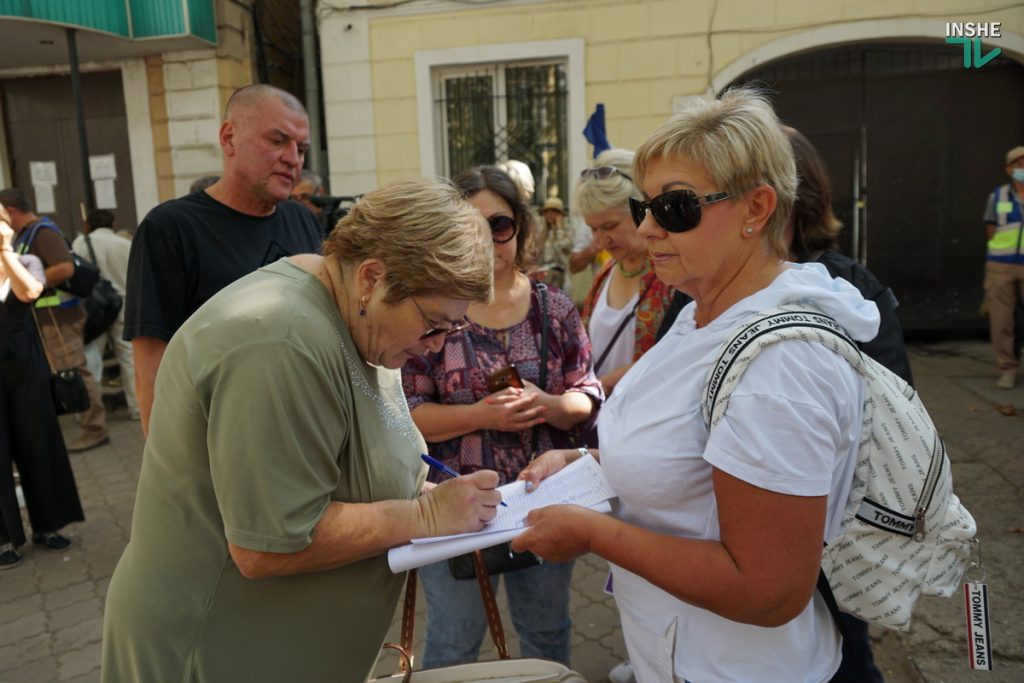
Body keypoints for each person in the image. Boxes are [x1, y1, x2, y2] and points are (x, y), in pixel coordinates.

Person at [513, 88, 880, 683]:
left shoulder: (779, 367)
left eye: (676, 208)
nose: (650, 228)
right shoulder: (701, 308)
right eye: (644, 207)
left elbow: (767, 590)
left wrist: (592, 532)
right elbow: (697, 461)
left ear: (756, 209)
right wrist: (587, 460)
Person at [101, 178, 501, 682]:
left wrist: (433, 495)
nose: (438, 346)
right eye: (434, 324)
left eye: (454, 329)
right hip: (215, 650)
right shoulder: (282, 341)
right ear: (373, 278)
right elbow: (270, 543)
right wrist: (425, 515)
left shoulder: (357, 318)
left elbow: (348, 468)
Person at [402, 165, 603, 668]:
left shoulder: (552, 307)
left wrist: (552, 406)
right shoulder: (431, 308)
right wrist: (478, 416)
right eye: (472, 226)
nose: (489, 239)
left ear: (520, 227)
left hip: (544, 501)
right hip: (453, 507)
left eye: (500, 224)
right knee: (454, 641)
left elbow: (588, 395)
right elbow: (405, 418)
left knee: (545, 629)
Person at [124, 84, 324, 435]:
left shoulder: (302, 220)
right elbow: (152, 358)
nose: (293, 158)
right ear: (229, 138)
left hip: (303, 434)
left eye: (302, 148)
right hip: (218, 443)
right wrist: (166, 468)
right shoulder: (170, 228)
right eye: (278, 141)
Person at [785, 124, 904, 683]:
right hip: (726, 522)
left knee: (846, 655)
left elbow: (896, 410)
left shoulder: (850, 287)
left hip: (833, 529)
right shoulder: (700, 293)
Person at [1, 206, 84, 568]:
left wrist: (5, 253)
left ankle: (48, 525)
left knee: (39, 441)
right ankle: (5, 538)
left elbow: (31, 291)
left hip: (24, 367)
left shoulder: (26, 261)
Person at [0, 187, 109, 452]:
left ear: (10, 211)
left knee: (74, 371)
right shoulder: (27, 233)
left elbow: (65, 268)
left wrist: (29, 281)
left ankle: (95, 428)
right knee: (65, 371)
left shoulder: (43, 232)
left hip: (61, 317)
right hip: (46, 318)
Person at [575, 149, 675, 396]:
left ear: (641, 210)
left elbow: (680, 354)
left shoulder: (674, 272)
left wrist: (607, 384)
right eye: (593, 229)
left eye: (610, 226)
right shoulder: (607, 270)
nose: (601, 239)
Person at [72, 209, 138, 420]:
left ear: (88, 225)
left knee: (91, 358)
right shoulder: (125, 245)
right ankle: (137, 408)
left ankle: (90, 411)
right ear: (113, 223)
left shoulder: (81, 243)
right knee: (129, 358)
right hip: (123, 304)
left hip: (94, 308)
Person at [983, 145, 1024, 389]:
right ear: (1009, 169)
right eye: (1018, 164)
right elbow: (990, 230)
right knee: (1001, 320)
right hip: (1000, 266)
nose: (1022, 169)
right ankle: (1007, 368)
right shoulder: (998, 196)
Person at [531, 196, 574, 290]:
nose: (550, 215)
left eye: (554, 211)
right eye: (547, 212)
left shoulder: (567, 230)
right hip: (542, 272)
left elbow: (560, 247)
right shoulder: (543, 232)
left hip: (558, 271)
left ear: (560, 214)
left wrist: (558, 229)